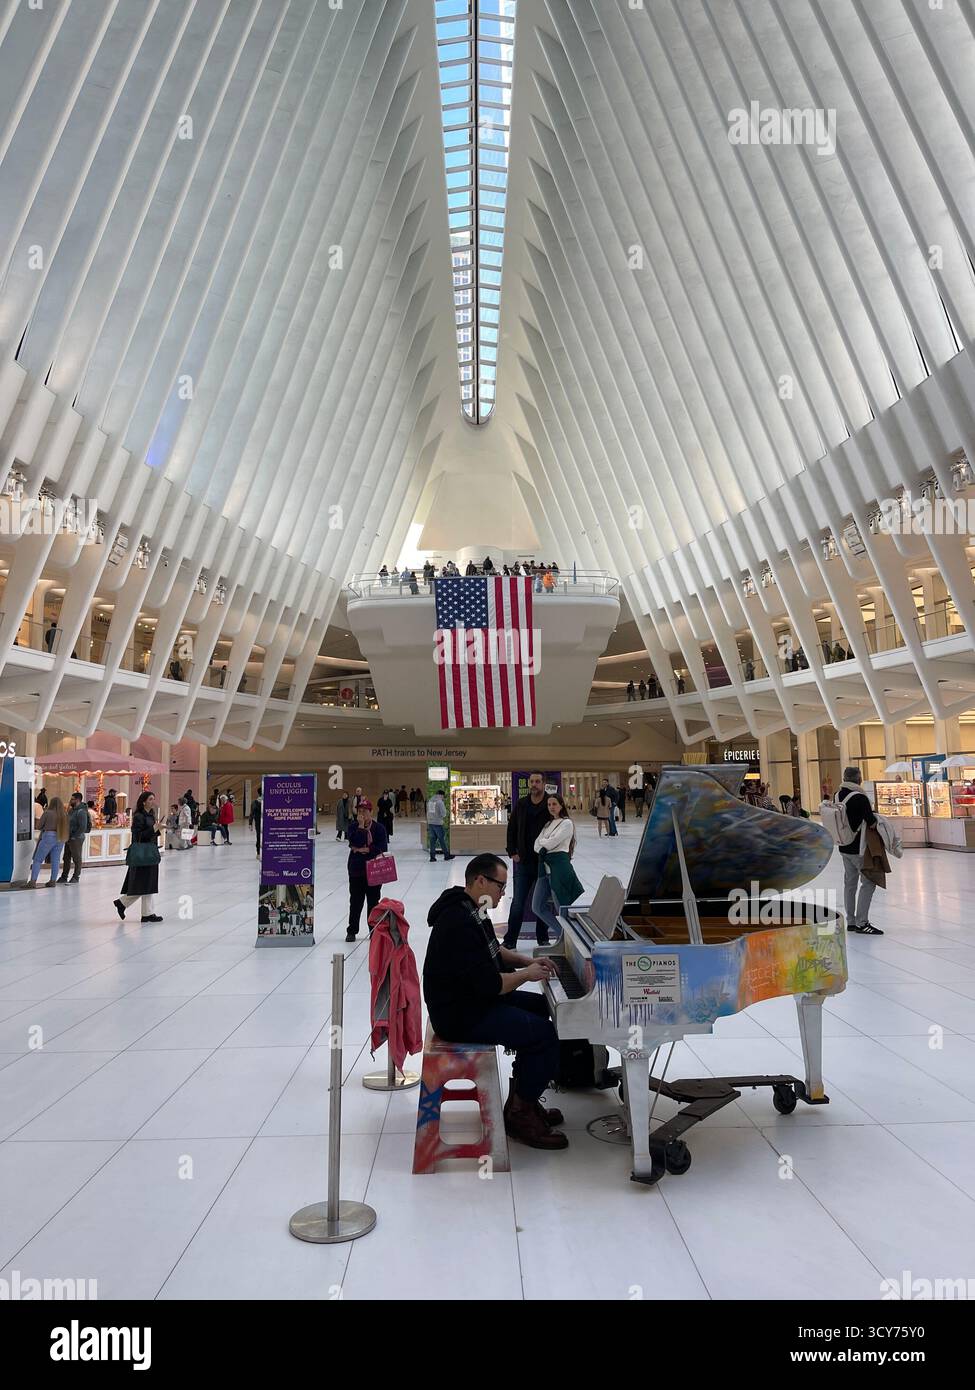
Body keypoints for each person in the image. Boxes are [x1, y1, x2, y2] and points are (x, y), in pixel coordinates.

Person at [423, 855, 567, 1151]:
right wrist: (527, 975)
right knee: (543, 1035)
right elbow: (493, 985)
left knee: (541, 1009)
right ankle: (519, 1115)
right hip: (458, 1015)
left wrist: (528, 960)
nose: (504, 892)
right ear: (480, 881)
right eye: (501, 885)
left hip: (470, 999)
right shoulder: (459, 923)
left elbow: (496, 951)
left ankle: (522, 1097)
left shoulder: (471, 907)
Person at [501, 771, 550, 949]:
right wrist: (512, 851)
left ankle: (543, 938)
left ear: (543, 783)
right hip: (524, 862)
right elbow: (511, 828)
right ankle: (510, 940)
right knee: (518, 902)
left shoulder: (550, 804)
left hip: (544, 863)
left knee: (542, 903)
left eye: (538, 781)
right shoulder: (521, 804)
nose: (534, 784)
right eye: (532, 781)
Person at [836, 767, 883, 935]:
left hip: (844, 846)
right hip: (859, 847)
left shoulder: (838, 795)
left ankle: (851, 921)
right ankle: (862, 922)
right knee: (868, 882)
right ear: (859, 779)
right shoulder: (860, 797)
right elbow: (871, 822)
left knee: (850, 884)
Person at [530, 794, 582, 945]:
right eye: (549, 804)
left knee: (561, 908)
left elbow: (550, 844)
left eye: (554, 804)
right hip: (544, 870)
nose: (551, 807)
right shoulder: (548, 824)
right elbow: (536, 845)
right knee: (537, 906)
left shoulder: (567, 823)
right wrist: (544, 843)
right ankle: (564, 936)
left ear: (561, 805)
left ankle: (567, 940)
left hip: (559, 869)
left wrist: (543, 842)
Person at [114, 790, 163, 923]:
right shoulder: (139, 816)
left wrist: (158, 829)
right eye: (151, 799)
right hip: (143, 854)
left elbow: (152, 834)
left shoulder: (151, 815)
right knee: (143, 883)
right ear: (144, 801)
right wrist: (154, 829)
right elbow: (139, 836)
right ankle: (124, 904)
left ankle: (146, 913)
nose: (153, 801)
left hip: (151, 852)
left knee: (149, 883)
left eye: (154, 799)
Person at [346, 799, 388, 941]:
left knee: (373, 901)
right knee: (356, 902)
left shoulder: (379, 828)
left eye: (365, 811)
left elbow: (381, 847)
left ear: (371, 812)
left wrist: (366, 849)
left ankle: (373, 930)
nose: (362, 814)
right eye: (359, 811)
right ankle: (352, 930)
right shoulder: (353, 827)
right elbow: (354, 842)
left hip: (374, 870)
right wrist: (361, 827)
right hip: (356, 870)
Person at [30, 795, 68, 886]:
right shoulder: (64, 814)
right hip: (60, 837)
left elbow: (39, 826)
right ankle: (52, 881)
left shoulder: (48, 813)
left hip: (48, 836)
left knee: (38, 859)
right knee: (55, 860)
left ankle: (32, 881)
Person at [58, 792, 90, 882]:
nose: (70, 801)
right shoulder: (72, 810)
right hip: (69, 837)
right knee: (66, 857)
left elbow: (82, 827)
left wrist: (74, 836)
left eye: (72, 799)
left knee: (76, 857)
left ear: (78, 800)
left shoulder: (81, 812)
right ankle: (64, 876)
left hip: (77, 838)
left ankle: (76, 876)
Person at [426, 789, 453, 862]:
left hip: (431, 823)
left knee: (432, 840)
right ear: (441, 795)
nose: (443, 798)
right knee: (442, 839)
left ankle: (432, 857)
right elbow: (443, 814)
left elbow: (428, 812)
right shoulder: (440, 802)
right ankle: (446, 855)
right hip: (438, 823)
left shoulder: (430, 801)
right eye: (443, 796)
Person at [249, 789, 262, 856]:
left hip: (258, 822)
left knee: (258, 837)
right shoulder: (268, 801)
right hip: (267, 823)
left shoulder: (254, 802)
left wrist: (250, 823)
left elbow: (251, 814)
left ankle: (258, 853)